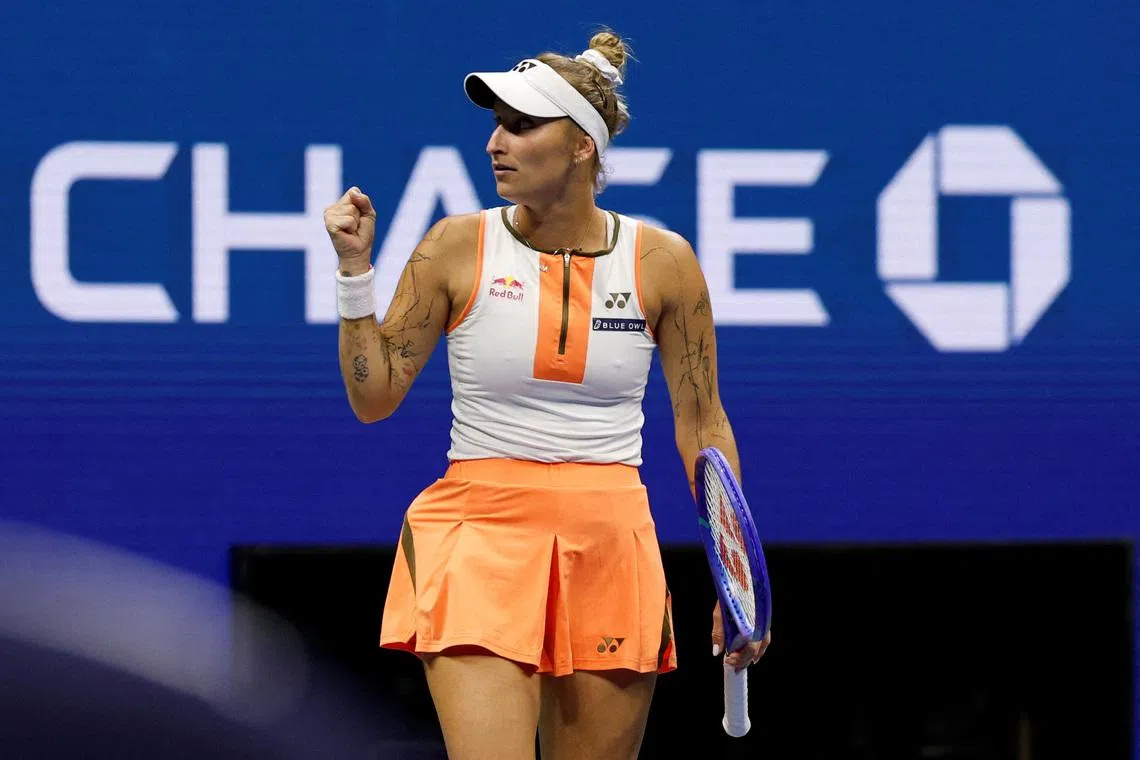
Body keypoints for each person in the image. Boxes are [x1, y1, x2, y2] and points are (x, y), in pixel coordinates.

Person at [323, 29, 771, 760]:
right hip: (477, 538)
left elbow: (703, 421)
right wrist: (353, 274)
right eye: (496, 125)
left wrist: (735, 573)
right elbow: (373, 397)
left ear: (581, 148)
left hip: (612, 541)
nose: (496, 142)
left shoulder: (663, 263)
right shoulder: (454, 246)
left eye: (522, 126)